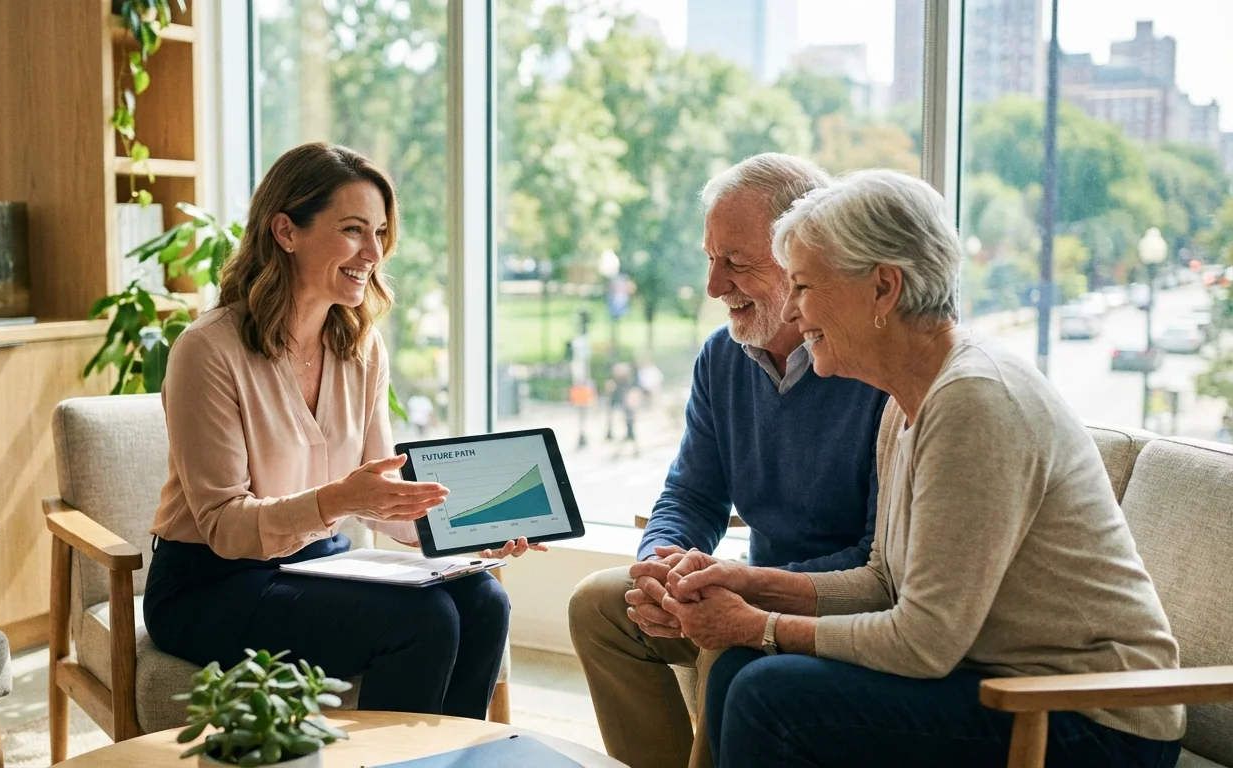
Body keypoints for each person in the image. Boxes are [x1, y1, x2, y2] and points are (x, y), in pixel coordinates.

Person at [664, 169, 1182, 767]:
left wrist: (759, 626)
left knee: (766, 694)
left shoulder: (975, 399)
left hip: (1089, 715)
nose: (794, 312)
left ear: (883, 288)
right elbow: (883, 582)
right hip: (990, 682)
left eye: (803, 286)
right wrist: (746, 582)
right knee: (738, 668)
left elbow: (924, 641)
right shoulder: (906, 399)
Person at [142, 142, 537, 719]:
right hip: (210, 585)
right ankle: (389, 761)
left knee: (483, 601)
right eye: (353, 230)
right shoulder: (207, 350)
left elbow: (383, 497)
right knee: (422, 620)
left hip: (318, 564)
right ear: (286, 231)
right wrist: (337, 500)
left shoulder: (360, 346)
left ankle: (443, 759)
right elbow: (224, 527)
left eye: (379, 233)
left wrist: (471, 530)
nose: (373, 253)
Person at [567, 154, 890, 768]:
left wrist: (742, 592)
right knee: (598, 604)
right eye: (710, 259)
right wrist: (661, 562)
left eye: (737, 263)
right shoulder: (722, 357)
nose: (714, 286)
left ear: (803, 257)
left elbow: (879, 564)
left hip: (829, 605)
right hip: (747, 583)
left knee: (725, 638)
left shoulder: (876, 371)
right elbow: (691, 495)